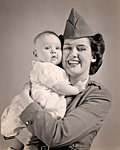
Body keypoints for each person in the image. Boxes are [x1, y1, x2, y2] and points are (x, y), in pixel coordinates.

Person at [1, 30, 86, 150]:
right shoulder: (45, 68)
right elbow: (58, 87)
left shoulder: (55, 68)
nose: (53, 51)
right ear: (36, 54)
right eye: (47, 48)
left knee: (25, 141)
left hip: (37, 107)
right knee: (31, 141)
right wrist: (76, 89)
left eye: (57, 48)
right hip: (40, 104)